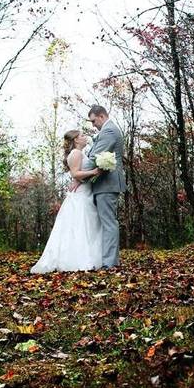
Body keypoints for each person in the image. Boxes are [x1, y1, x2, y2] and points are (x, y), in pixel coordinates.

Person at [30, 130, 103, 273]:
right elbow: (75, 173)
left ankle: (86, 256)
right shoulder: (76, 153)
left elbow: (77, 175)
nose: (84, 137)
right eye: (81, 136)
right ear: (76, 140)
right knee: (81, 226)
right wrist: (94, 172)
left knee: (83, 225)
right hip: (80, 195)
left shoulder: (79, 153)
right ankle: (78, 259)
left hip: (85, 191)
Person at [71, 105, 126, 269]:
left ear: (102, 116)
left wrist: (78, 177)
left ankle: (109, 263)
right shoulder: (105, 132)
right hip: (102, 184)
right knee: (105, 222)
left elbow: (95, 158)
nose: (93, 124)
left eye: (94, 120)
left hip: (107, 184)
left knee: (109, 222)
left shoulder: (109, 131)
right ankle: (106, 260)